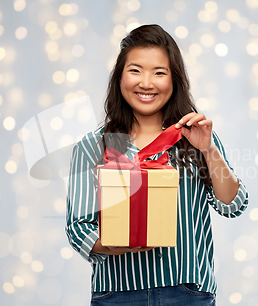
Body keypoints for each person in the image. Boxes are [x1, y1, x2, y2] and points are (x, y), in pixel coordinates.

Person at [65, 24, 248, 305]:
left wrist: (209, 149)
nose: (146, 83)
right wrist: (110, 245)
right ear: (119, 78)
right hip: (117, 294)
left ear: (174, 80)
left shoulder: (194, 137)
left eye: (159, 73)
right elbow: (78, 227)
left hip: (187, 292)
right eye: (135, 70)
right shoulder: (93, 146)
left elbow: (232, 205)